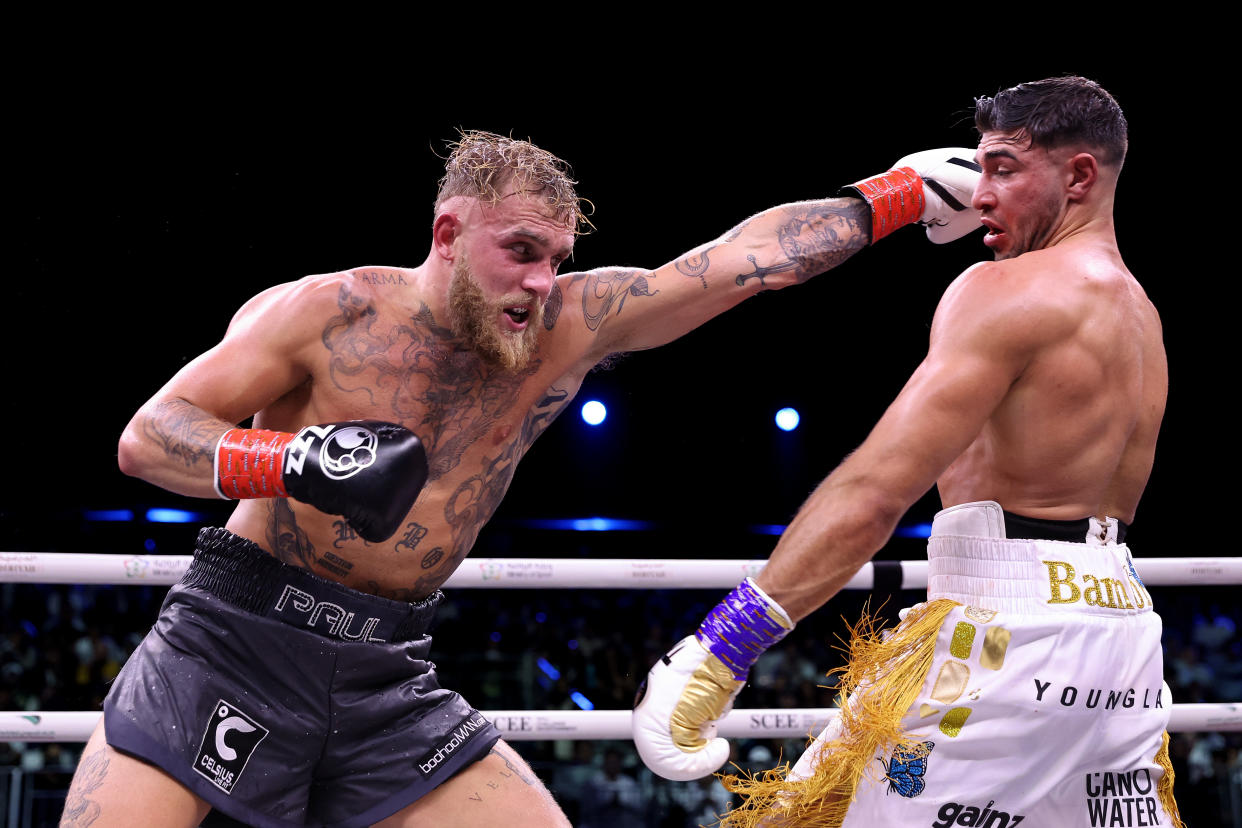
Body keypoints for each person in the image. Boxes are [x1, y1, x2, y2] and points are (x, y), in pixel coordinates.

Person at [59, 131, 981, 828]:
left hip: (388, 672)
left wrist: (896, 197)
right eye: (521, 250)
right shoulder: (327, 313)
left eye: (556, 259)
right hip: (235, 641)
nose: (543, 281)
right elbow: (149, 438)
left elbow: (738, 265)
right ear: (448, 233)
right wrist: (295, 460)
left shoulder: (566, 330)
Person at [633, 76, 1185, 828]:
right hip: (1121, 649)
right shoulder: (1139, 315)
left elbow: (875, 490)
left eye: (1002, 168)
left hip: (1003, 640)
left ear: (1080, 175)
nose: (979, 193)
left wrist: (724, 646)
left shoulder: (1002, 291)